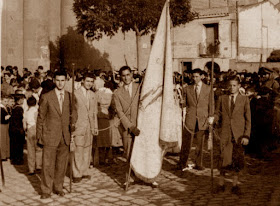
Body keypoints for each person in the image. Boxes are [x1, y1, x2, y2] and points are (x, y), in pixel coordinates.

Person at [36, 70, 77, 199]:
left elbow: (75, 112)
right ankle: (46, 190)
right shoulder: (47, 96)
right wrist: (39, 136)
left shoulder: (71, 96)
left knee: (61, 165)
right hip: (50, 136)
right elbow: (41, 117)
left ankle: (58, 187)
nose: (60, 83)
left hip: (65, 135)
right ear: (54, 80)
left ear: (66, 81)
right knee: (48, 165)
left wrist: (73, 121)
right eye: (58, 80)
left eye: (62, 80)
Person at [212, 75, 251, 195]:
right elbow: (218, 112)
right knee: (223, 159)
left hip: (238, 135)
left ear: (239, 86)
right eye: (230, 85)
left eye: (234, 85)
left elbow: (248, 119)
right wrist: (214, 118)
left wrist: (246, 135)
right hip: (225, 133)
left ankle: (235, 185)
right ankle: (221, 184)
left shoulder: (244, 99)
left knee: (237, 161)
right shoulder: (222, 98)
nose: (232, 87)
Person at [179, 68, 213, 171]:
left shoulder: (208, 88)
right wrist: (181, 103)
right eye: (193, 77)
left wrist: (211, 117)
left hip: (202, 119)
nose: (194, 79)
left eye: (197, 77)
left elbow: (211, 104)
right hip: (190, 118)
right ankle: (182, 163)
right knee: (186, 142)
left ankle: (198, 163)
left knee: (200, 143)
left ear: (202, 76)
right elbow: (184, 103)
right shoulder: (187, 88)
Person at [113, 66, 141, 186]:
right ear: (120, 77)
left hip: (141, 126)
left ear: (132, 75)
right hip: (127, 128)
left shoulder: (139, 88)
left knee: (142, 152)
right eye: (123, 75)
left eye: (128, 74)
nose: (126, 77)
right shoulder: (117, 93)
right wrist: (130, 127)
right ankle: (129, 177)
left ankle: (144, 176)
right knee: (129, 153)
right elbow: (119, 112)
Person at [72, 72, 98, 183]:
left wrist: (95, 126)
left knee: (87, 149)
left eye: (91, 82)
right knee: (78, 150)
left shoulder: (93, 95)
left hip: (89, 127)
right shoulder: (75, 94)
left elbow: (94, 112)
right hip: (79, 126)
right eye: (87, 81)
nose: (89, 83)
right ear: (82, 81)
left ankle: (84, 170)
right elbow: (72, 112)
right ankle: (76, 173)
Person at [23, 96, 42, 175]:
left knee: (30, 150)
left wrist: (26, 131)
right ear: (36, 103)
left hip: (30, 130)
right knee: (39, 149)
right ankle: (39, 166)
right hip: (36, 129)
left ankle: (31, 169)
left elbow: (24, 124)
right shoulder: (37, 111)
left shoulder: (26, 112)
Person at [9, 91, 26, 165]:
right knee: (18, 145)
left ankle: (14, 158)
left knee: (14, 144)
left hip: (13, 129)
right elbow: (20, 120)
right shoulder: (19, 109)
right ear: (19, 100)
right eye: (22, 99)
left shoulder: (14, 107)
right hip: (18, 129)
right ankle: (18, 159)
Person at [0, 94, 11, 160]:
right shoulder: (1, 108)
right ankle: (3, 156)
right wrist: (8, 117)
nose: (6, 103)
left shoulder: (5, 108)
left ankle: (6, 154)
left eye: (7, 101)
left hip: (6, 124)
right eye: (5, 101)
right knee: (3, 141)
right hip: (2, 125)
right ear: (1, 101)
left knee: (6, 140)